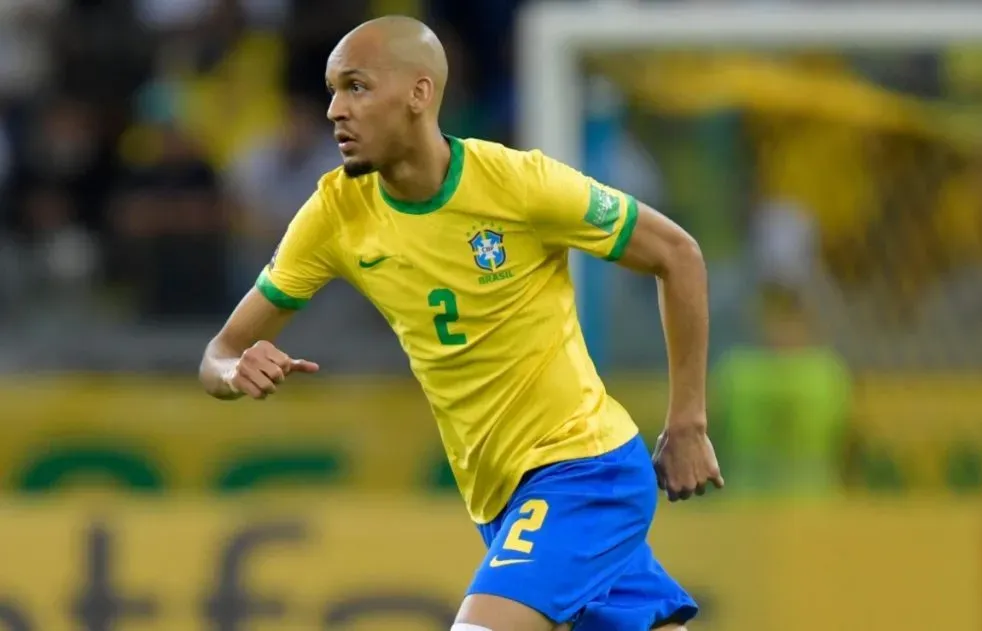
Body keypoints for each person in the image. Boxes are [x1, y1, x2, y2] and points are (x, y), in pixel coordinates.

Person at [199, 15, 723, 631]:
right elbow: (220, 352)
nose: (335, 110)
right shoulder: (336, 214)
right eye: (332, 91)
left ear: (420, 95)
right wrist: (237, 369)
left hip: (584, 471)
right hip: (500, 499)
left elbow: (677, 255)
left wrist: (687, 421)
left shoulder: (516, 185)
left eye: (357, 87)